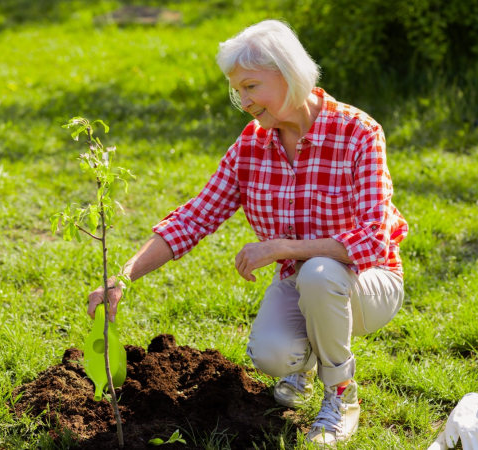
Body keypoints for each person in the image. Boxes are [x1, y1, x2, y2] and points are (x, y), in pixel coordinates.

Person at [88, 19, 408, 447]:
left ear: (288, 73)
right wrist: (122, 277)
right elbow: (194, 216)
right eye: (237, 90)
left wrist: (283, 247)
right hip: (304, 283)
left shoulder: (357, 133)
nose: (243, 100)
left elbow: (373, 239)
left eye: (251, 86)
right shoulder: (254, 144)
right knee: (271, 354)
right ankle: (302, 365)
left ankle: (341, 397)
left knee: (318, 273)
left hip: (370, 283)